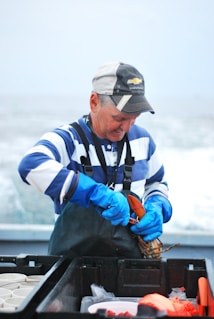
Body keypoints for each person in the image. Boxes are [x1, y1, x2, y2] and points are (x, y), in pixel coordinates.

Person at [18, 61, 172, 258]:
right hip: (72, 264)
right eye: (120, 118)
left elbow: (156, 183)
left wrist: (157, 205)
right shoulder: (69, 139)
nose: (127, 127)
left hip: (130, 263)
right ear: (94, 102)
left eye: (134, 118)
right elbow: (30, 165)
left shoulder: (143, 140)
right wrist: (95, 192)